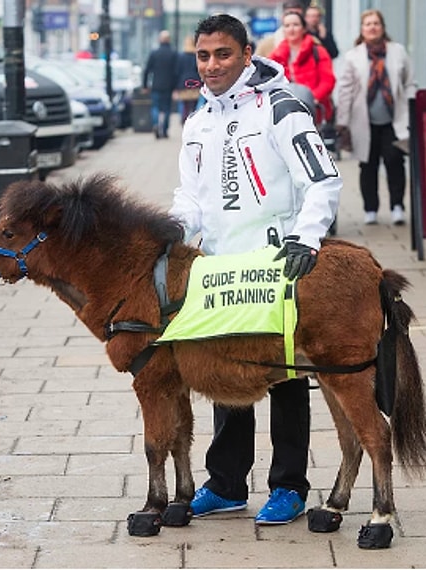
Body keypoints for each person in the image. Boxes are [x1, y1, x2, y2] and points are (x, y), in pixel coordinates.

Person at [169, 13, 341, 525]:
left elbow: (322, 179)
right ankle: (225, 483)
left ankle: (288, 485)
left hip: (276, 262)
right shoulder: (197, 120)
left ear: (247, 54)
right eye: (203, 56)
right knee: (226, 371)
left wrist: (306, 238)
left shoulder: (280, 105)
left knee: (286, 374)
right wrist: (171, 233)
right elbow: (190, 198)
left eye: (223, 54)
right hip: (221, 266)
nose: (212, 65)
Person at [335, 9, 415, 226]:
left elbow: (409, 83)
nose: (372, 27)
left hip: (394, 120)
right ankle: (370, 209)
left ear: (382, 27)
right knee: (368, 167)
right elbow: (345, 90)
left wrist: (411, 108)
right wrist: (342, 121)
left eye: (376, 23)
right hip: (364, 123)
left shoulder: (397, 51)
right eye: (368, 24)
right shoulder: (353, 56)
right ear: (362, 29)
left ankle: (397, 206)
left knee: (394, 162)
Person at [268, 10, 335, 124]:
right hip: (285, 114)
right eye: (287, 25)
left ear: (304, 28)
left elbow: (328, 80)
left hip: (315, 112)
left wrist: (311, 98)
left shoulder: (318, 51)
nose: (291, 29)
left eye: (296, 24)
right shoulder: (275, 55)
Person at [143, 30, 178, 139]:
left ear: (160, 39)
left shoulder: (154, 53)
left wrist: (144, 85)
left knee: (155, 107)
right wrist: (176, 87)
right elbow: (176, 72)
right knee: (167, 108)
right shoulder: (173, 53)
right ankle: (165, 130)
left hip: (156, 85)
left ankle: (155, 124)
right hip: (169, 86)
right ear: (169, 40)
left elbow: (147, 70)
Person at [173, 35, 202, 124]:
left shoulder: (180, 56)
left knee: (185, 103)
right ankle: (193, 120)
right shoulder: (197, 56)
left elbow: (177, 71)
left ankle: (184, 119)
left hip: (183, 82)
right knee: (194, 103)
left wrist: (176, 86)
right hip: (195, 82)